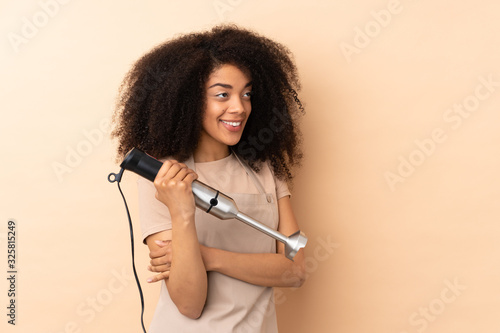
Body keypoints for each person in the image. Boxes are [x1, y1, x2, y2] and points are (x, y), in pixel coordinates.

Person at [112, 24, 306, 333]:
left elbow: (294, 272)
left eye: (246, 94)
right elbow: (189, 303)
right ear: (187, 101)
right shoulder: (162, 179)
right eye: (222, 95)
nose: (239, 107)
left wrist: (206, 256)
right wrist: (181, 210)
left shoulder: (264, 170)